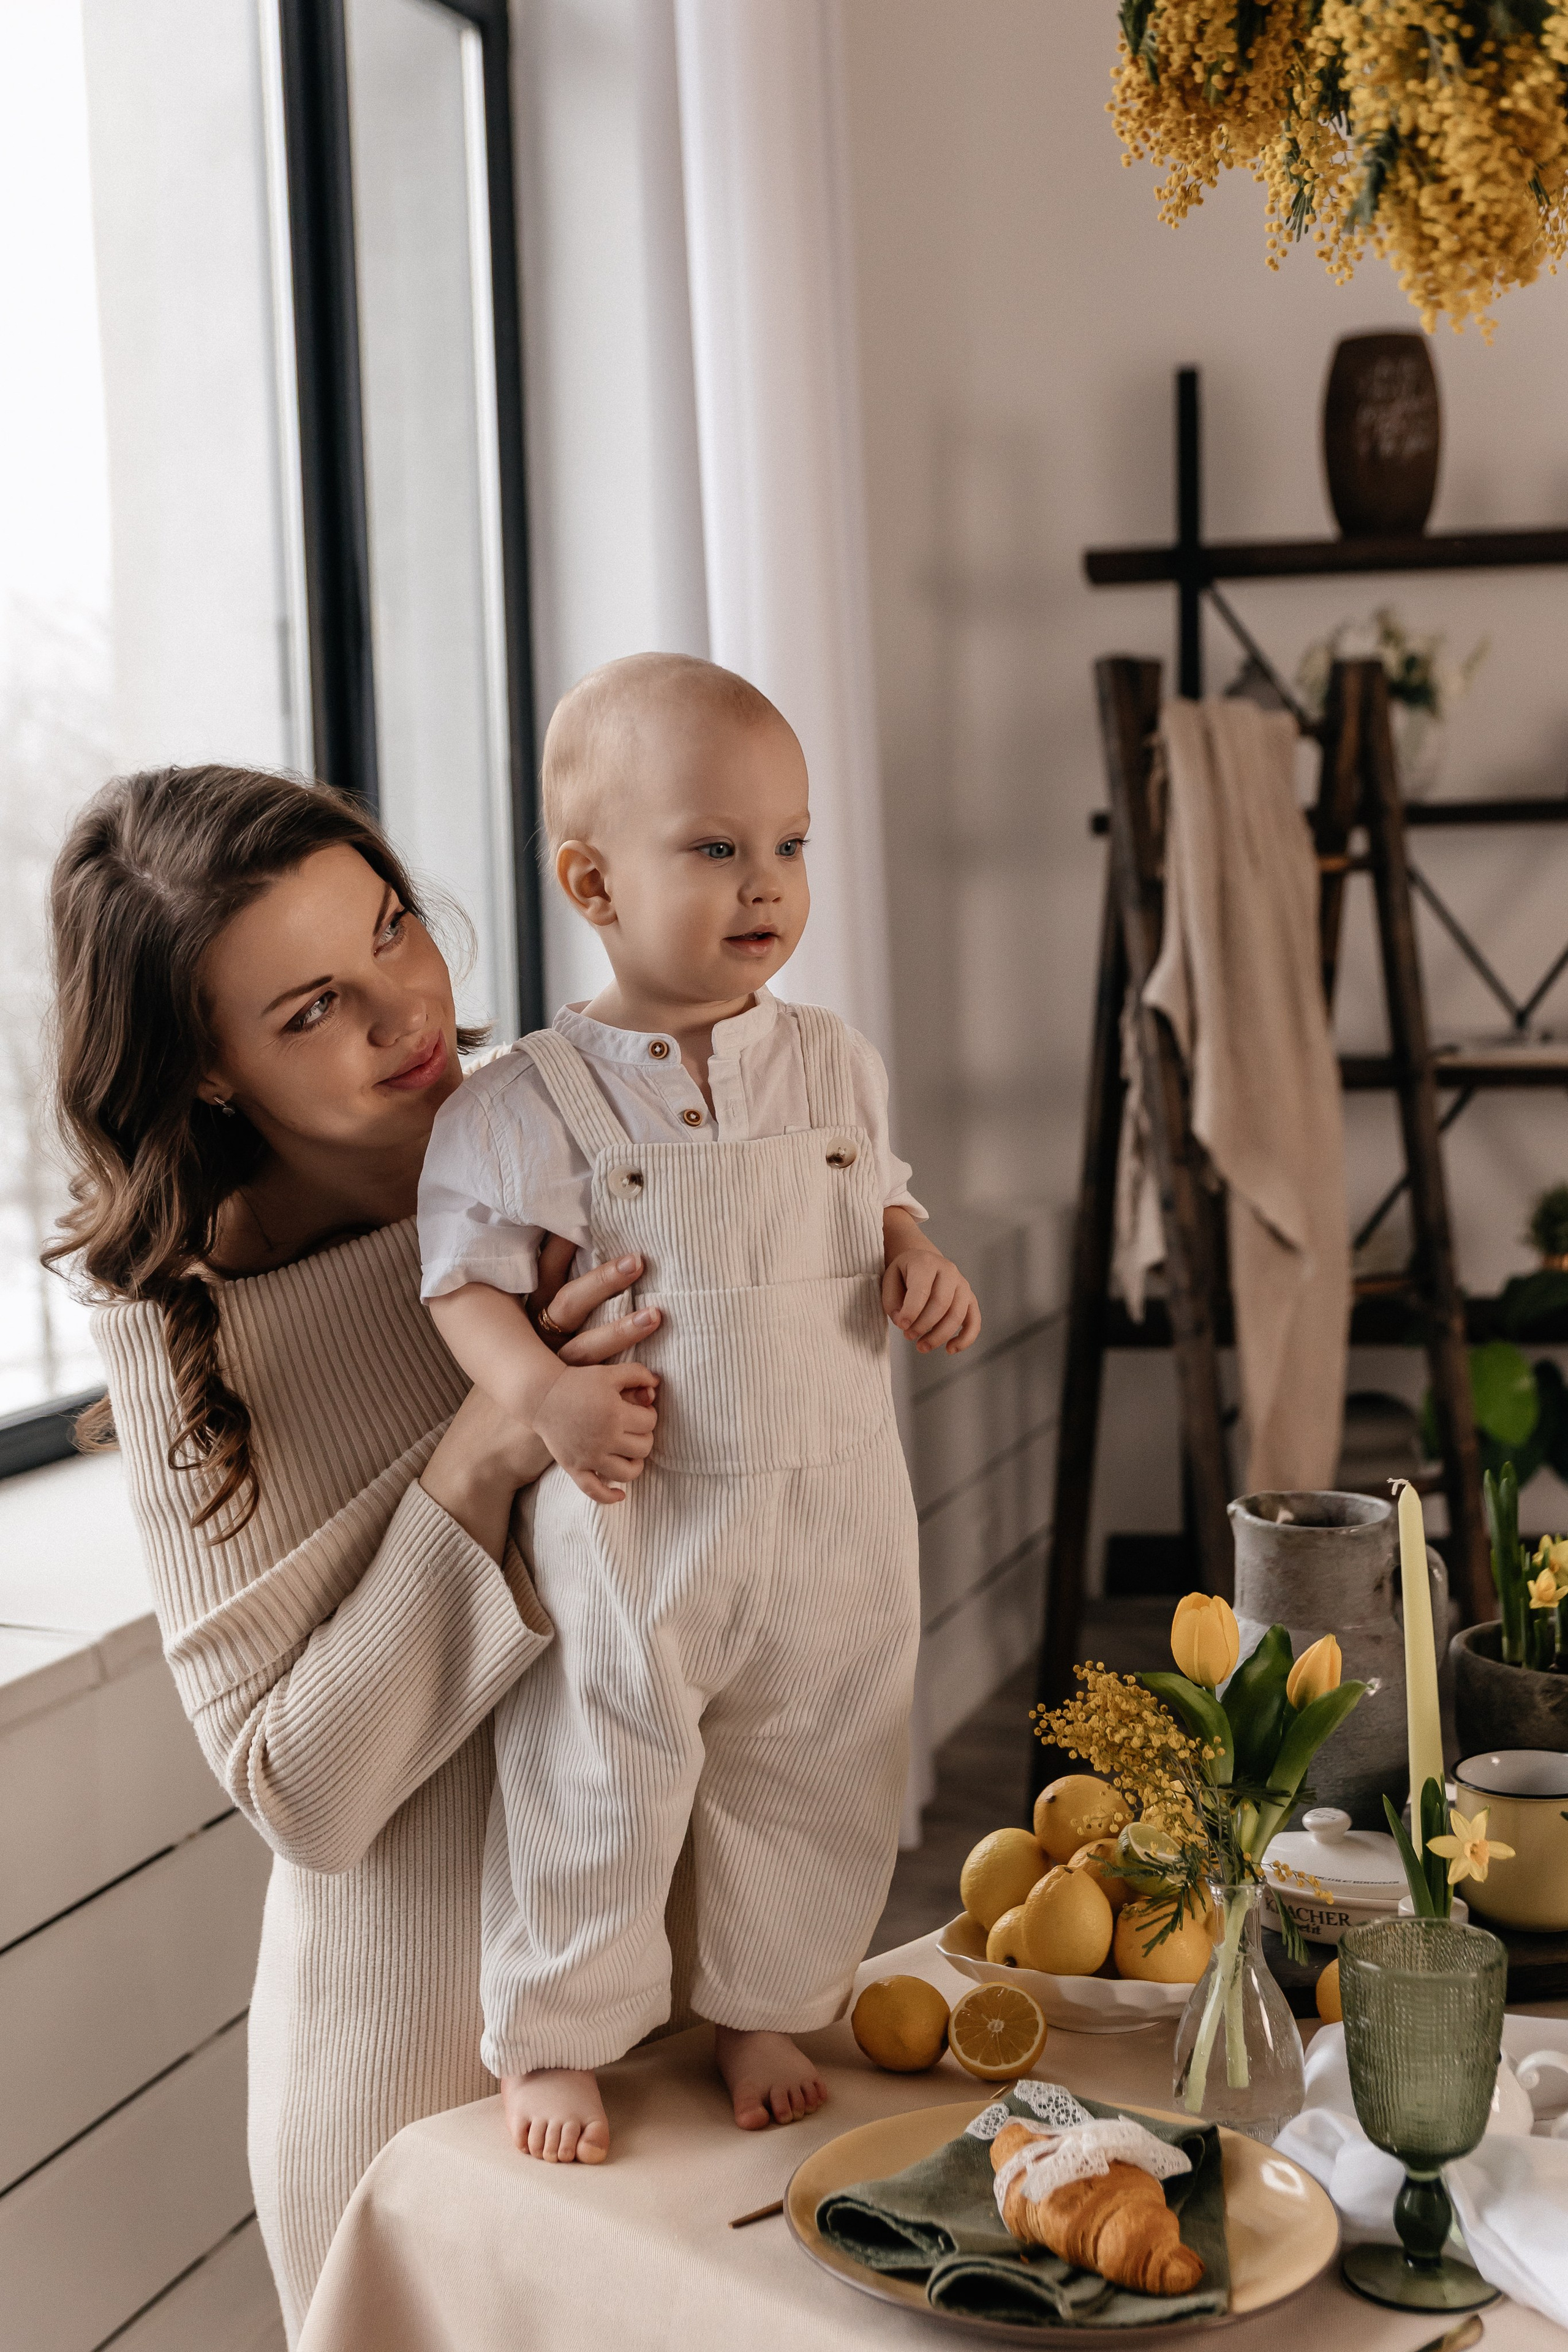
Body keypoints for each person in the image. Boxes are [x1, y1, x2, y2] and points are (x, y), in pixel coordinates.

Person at [45, 765, 697, 2344]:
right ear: (204, 1073)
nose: (408, 1011)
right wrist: (491, 1435)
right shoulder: (184, 1324)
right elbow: (304, 1795)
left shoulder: (581, 1133)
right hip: (410, 2087)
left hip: (676, 2012)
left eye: (395, 930)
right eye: (312, 1007)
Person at [417, 654, 982, 2166]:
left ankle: (764, 2005)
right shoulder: (527, 1101)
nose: (766, 886)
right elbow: (461, 1282)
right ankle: (554, 2035)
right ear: (591, 880)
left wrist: (916, 1262)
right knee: (596, 1771)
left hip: (836, 1512)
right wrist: (542, 1392)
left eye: (789, 845)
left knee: (820, 1760)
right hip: (638, 1510)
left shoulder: (831, 1062)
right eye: (716, 848)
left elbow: (879, 1206)